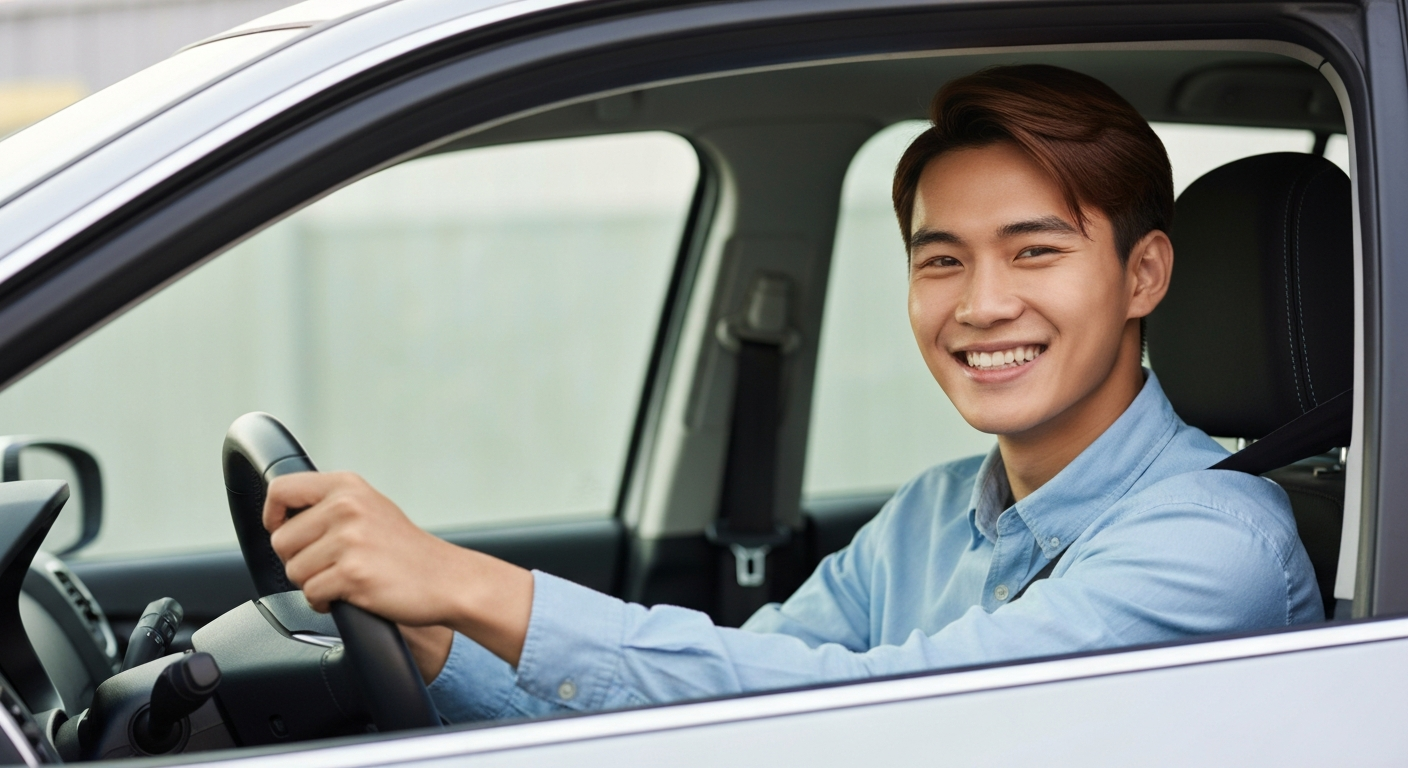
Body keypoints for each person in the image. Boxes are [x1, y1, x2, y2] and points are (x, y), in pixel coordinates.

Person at [261, 65, 1322, 722]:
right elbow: (741, 698)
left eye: (1034, 252)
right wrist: (443, 649)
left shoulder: (1214, 547)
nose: (981, 305)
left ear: (1143, 277)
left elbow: (889, 718)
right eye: (940, 261)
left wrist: (472, 586)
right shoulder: (929, 514)